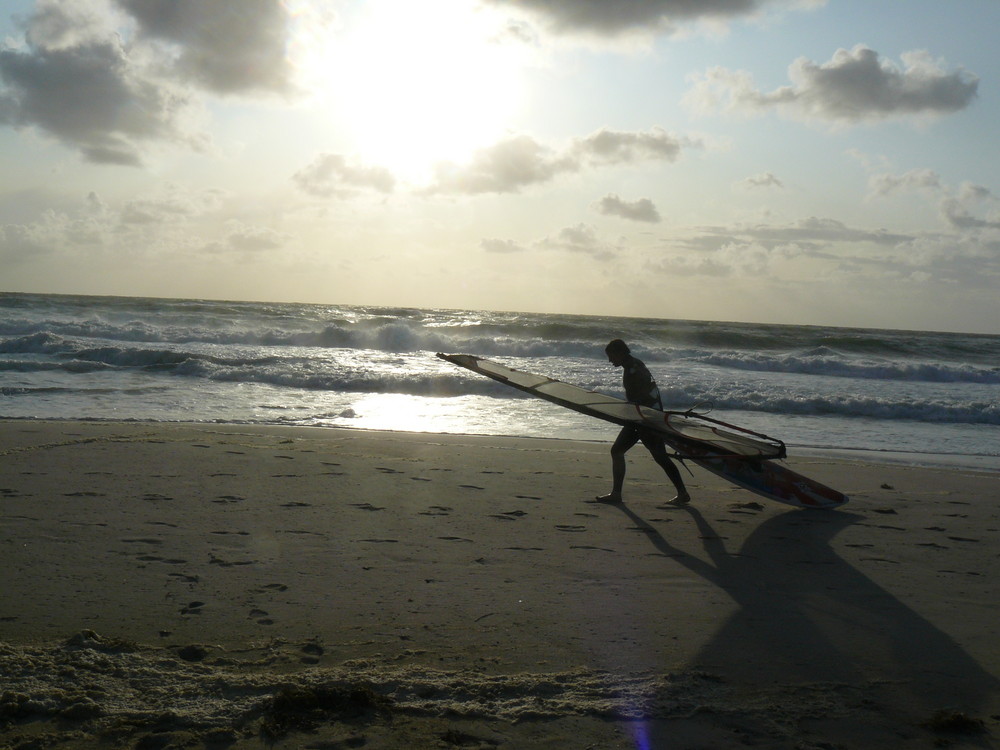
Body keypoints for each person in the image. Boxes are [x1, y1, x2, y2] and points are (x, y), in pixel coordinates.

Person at [596, 339, 690, 506]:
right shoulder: (635, 365)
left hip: (645, 421)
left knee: (657, 456)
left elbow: (646, 395)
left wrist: (641, 414)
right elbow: (651, 393)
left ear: (619, 353)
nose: (610, 361)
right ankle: (617, 493)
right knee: (620, 451)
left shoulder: (634, 369)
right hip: (642, 419)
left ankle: (682, 493)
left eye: (611, 356)